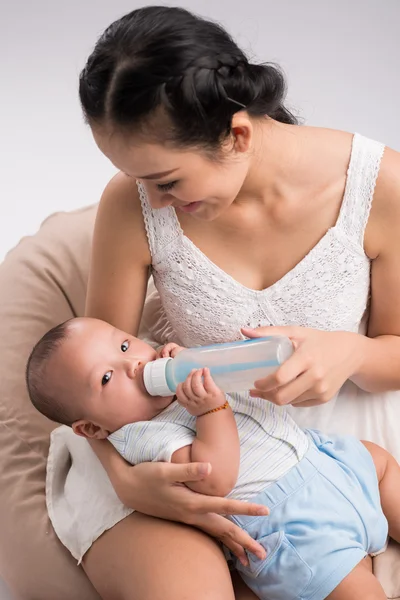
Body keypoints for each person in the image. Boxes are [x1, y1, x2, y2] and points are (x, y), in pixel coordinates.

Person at [46, 4, 400, 600]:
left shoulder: (379, 188)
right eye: (137, 180)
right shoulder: (130, 204)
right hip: (160, 444)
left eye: (167, 182)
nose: (152, 204)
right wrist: (128, 483)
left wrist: (351, 354)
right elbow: (98, 384)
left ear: (236, 134)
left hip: (316, 438)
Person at [29, 316, 399, 599]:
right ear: (92, 430)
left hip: (325, 460)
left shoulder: (183, 378)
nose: (133, 366)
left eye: (126, 346)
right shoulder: (143, 437)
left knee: (379, 461)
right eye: (107, 378)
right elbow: (213, 478)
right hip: (291, 526)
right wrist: (212, 410)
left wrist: (198, 362)